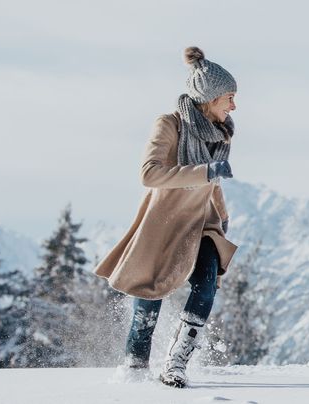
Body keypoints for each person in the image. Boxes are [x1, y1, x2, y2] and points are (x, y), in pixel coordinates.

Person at [95, 46, 239, 387]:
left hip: (203, 224)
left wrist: (222, 216)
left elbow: (213, 183)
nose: (233, 107)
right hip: (165, 224)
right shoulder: (169, 125)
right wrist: (205, 172)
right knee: (149, 296)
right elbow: (150, 173)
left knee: (206, 285)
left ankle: (176, 363)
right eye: (229, 98)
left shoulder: (220, 133)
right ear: (211, 98)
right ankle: (134, 370)